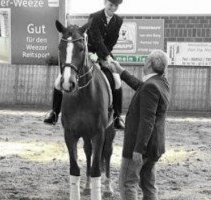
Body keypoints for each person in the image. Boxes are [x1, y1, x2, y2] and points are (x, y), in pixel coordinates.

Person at [44, 0, 125, 129]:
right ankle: (54, 112)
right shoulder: (95, 16)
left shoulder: (118, 21)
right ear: (105, 3)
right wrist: (95, 54)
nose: (113, 8)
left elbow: (112, 41)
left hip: (104, 54)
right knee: (59, 80)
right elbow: (96, 39)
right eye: (111, 5)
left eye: (116, 6)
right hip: (87, 52)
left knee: (116, 79)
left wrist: (101, 56)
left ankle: (117, 116)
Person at [109, 50, 170, 200]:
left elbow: (147, 121)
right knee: (148, 186)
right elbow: (140, 86)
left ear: (149, 63)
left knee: (127, 184)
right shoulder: (161, 83)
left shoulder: (150, 86)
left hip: (140, 146)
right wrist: (120, 71)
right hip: (155, 146)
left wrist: (138, 149)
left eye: (146, 60)